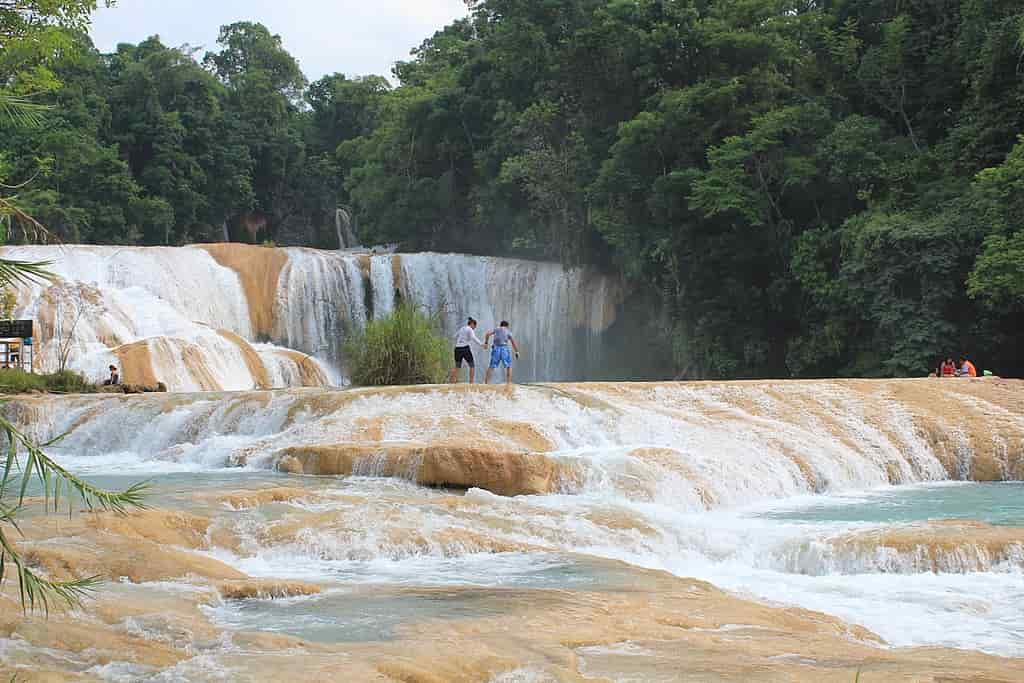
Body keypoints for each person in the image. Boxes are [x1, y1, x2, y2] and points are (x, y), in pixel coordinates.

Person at [448, 317, 486, 384]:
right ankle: (471, 383)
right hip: (465, 348)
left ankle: (451, 382)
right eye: (475, 326)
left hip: (457, 349)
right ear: (472, 324)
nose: (474, 328)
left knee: (457, 367)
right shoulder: (470, 329)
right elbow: (473, 338)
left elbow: (454, 336)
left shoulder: (462, 328)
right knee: (472, 365)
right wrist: (482, 344)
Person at [484, 320, 520, 385]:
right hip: (504, 349)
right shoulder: (508, 331)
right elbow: (513, 342)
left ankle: (486, 383)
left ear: (501, 325)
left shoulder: (496, 329)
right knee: (508, 366)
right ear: (507, 326)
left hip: (496, 348)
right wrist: (516, 352)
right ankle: (508, 383)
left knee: (491, 366)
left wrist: (486, 342)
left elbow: (487, 334)